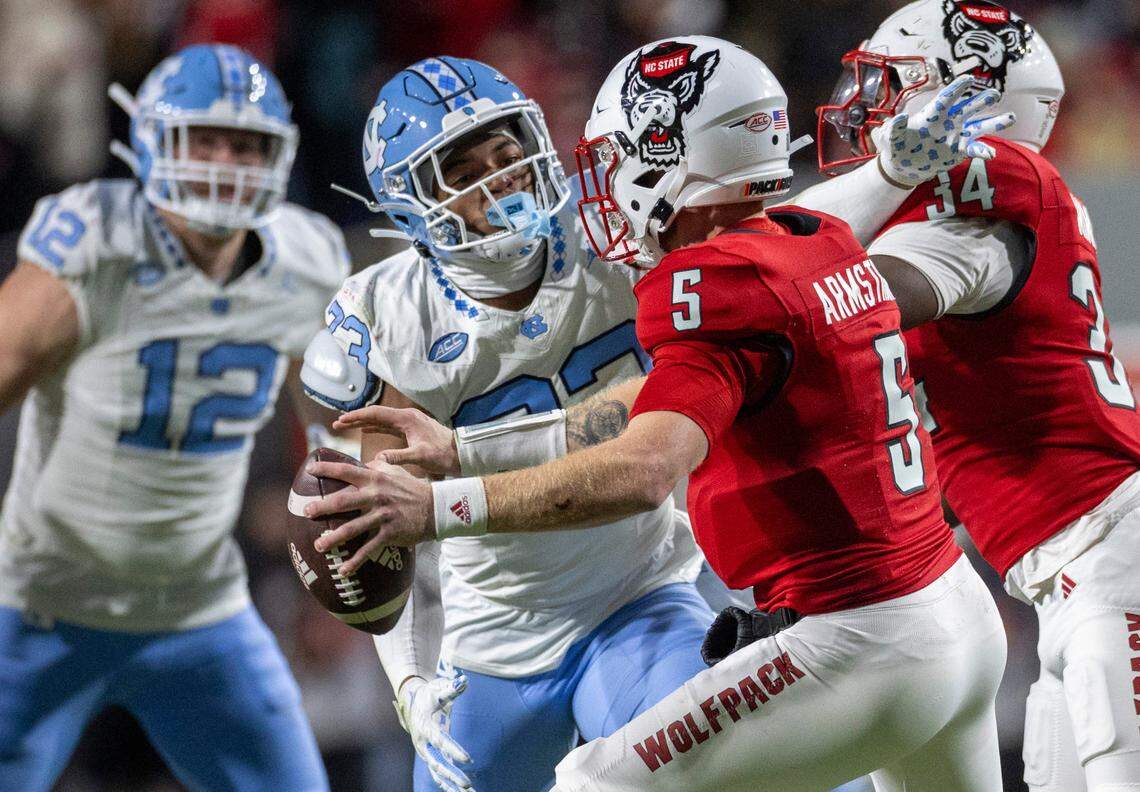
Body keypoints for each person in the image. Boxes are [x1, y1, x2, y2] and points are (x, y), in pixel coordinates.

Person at [304, 37, 1014, 790]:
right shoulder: (384, 314)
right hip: (494, 641)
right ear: (411, 204)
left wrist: (884, 175)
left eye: (508, 156)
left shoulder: (613, 235)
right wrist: (410, 680)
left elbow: (748, 242)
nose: (502, 183)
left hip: (640, 596)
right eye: (466, 174)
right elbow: (377, 527)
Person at [0, 44, 348, 791]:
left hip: (201, 611)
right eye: (204, 139)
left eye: (246, 143)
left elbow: (340, 426)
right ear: (154, 142)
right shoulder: (98, 240)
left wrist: (343, 552)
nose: (224, 161)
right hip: (41, 606)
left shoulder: (306, 258)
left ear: (278, 154)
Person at [814, 2, 1140, 789]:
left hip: (1107, 560)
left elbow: (850, 296)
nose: (869, 107)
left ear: (966, 97)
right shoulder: (991, 206)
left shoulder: (985, 198)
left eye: (893, 85)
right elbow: (975, 438)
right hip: (1066, 571)